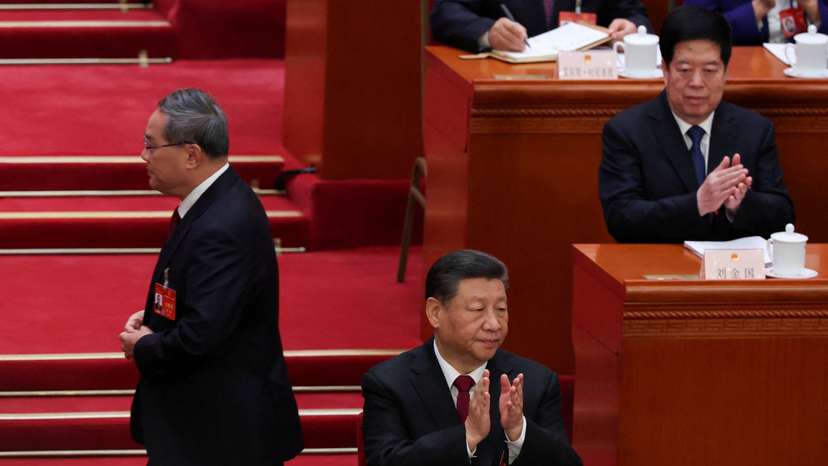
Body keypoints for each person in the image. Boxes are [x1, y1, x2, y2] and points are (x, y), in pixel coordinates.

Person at [118, 88, 303, 466]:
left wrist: (144, 347)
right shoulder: (214, 202)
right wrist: (155, 318)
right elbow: (206, 301)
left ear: (191, 154)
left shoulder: (222, 225)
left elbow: (202, 334)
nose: (143, 155)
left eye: (151, 146)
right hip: (204, 426)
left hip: (218, 436)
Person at [361, 250, 581, 466]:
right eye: (477, 309)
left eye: (501, 309)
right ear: (435, 312)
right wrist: (466, 437)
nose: (494, 324)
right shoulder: (389, 384)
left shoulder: (535, 382)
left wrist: (519, 432)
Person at [599, 6, 794, 243]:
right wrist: (698, 204)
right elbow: (620, 218)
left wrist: (741, 205)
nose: (697, 82)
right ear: (665, 71)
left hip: (731, 272)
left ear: (725, 74)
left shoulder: (755, 130)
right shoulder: (627, 131)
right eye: (685, 70)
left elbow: (783, 216)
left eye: (710, 70)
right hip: (659, 271)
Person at [431, 0, 652, 52]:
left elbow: (633, 14)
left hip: (587, 86)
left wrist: (632, 29)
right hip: (508, 90)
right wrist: (488, 33)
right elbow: (447, 12)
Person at [685, 0, 828, 44]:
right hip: (739, 80)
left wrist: (813, 8)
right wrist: (759, 8)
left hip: (811, 77)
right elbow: (694, 32)